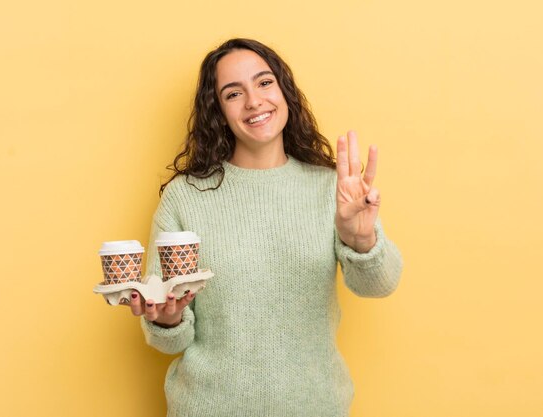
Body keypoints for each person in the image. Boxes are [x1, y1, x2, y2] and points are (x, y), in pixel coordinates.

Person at [128, 38, 403, 417]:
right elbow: (170, 340)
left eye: (264, 82)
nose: (254, 101)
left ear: (284, 90)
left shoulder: (333, 188)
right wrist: (168, 318)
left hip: (314, 406)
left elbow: (379, 285)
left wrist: (360, 239)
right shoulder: (185, 197)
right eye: (233, 93)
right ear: (218, 111)